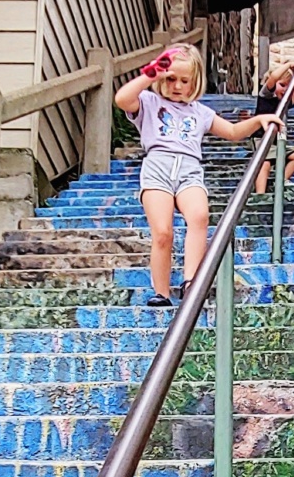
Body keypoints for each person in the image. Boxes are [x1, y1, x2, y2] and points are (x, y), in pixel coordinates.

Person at [113, 43, 265, 307]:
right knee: (162, 232)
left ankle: (191, 282)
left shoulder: (200, 112)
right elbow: (122, 99)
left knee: (199, 216)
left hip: (189, 168)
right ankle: (161, 292)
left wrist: (262, 120)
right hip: (157, 167)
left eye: (185, 80)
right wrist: (150, 75)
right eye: (171, 79)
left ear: (195, 81)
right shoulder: (149, 103)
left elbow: (231, 132)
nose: (177, 86)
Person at [252, 54, 294, 196]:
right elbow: (274, 77)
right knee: (265, 163)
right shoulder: (266, 95)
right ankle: (260, 194)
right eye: (282, 85)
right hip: (262, 138)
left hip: (276, 141)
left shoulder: (284, 103)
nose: (284, 90)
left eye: (288, 87)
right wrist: (288, 66)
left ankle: (281, 180)